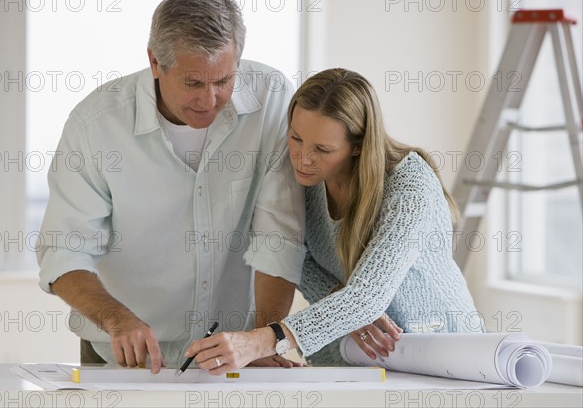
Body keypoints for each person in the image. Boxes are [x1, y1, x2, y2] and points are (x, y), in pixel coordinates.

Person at [36, 0, 305, 373]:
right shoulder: (95, 125)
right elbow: (63, 252)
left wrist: (262, 338)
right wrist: (117, 319)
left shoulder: (273, 99)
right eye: (193, 83)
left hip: (234, 356)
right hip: (122, 358)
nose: (210, 99)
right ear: (155, 62)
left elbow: (279, 235)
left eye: (224, 80)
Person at [184, 68, 484, 373]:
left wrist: (262, 340)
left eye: (322, 150)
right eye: (296, 138)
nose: (302, 159)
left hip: (442, 351)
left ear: (357, 145)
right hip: (359, 355)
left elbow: (367, 296)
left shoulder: (410, 185)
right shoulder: (306, 179)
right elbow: (298, 258)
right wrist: (339, 303)